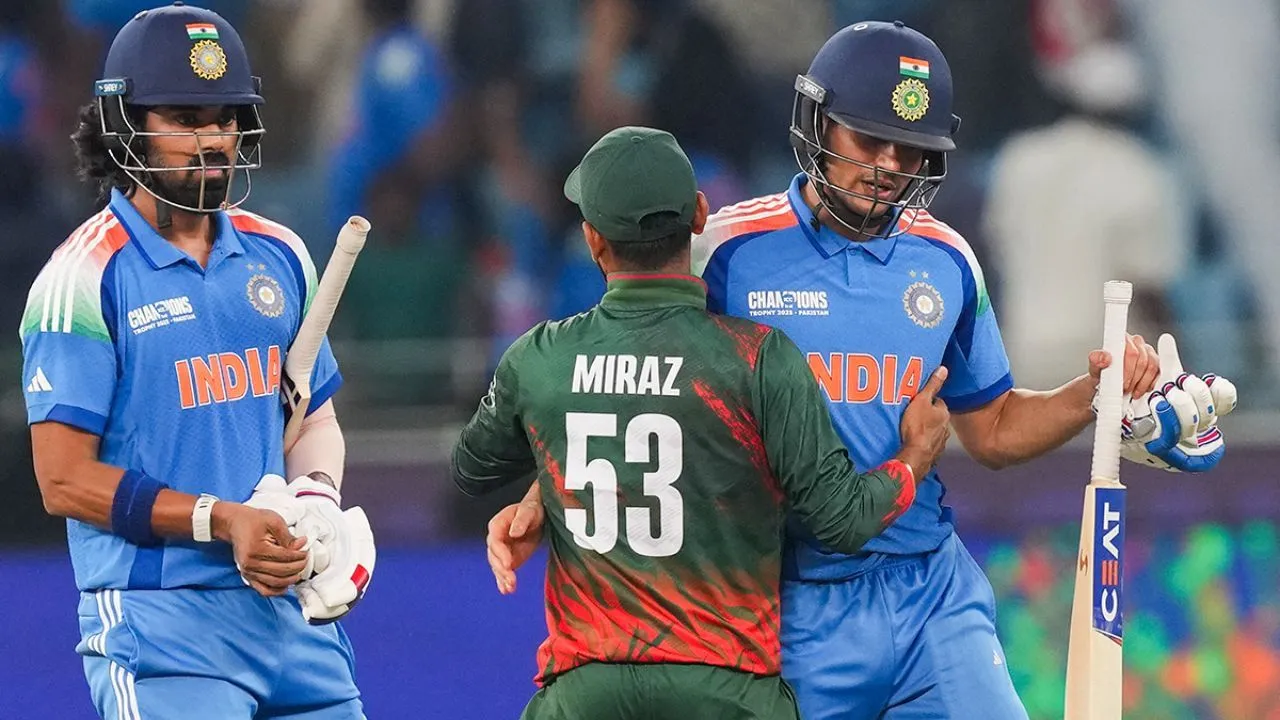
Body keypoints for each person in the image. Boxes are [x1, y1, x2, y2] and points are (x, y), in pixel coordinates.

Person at [486, 21, 1235, 719]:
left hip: (931, 592)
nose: (888, 167)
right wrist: (545, 497)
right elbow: (628, 393)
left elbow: (993, 429)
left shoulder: (946, 259)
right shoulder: (725, 254)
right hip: (787, 602)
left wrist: (1093, 394)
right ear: (817, 122)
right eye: (870, 140)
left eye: (909, 151)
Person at [452, 125, 953, 720]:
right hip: (729, 690)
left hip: (585, 690)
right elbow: (843, 520)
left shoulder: (539, 358)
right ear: (698, 215)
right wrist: (914, 457)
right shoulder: (759, 359)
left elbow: (472, 469)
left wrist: (549, 483)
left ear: (592, 240)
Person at [20, 4, 371, 718]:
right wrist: (222, 519)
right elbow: (62, 479)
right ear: (125, 123)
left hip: (290, 618)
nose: (212, 140)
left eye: (225, 118)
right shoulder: (82, 279)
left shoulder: (280, 254)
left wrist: (315, 499)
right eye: (185, 118)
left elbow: (312, 418)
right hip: (161, 624)